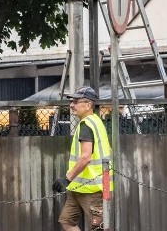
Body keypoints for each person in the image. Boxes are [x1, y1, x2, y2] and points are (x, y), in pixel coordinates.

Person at [52, 86, 113, 231]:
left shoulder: (86, 125)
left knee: (99, 228)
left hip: (92, 189)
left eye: (76, 101)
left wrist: (67, 178)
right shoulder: (96, 122)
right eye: (71, 101)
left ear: (88, 105)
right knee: (67, 221)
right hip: (80, 188)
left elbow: (86, 157)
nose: (71, 105)